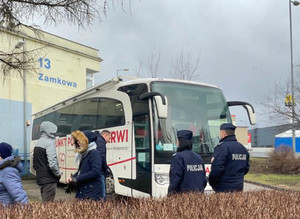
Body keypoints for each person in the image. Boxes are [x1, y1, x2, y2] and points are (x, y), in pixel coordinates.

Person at [209, 123, 250, 193]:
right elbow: (246, 168)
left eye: (220, 133)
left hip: (223, 188)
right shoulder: (243, 148)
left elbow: (217, 168)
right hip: (239, 187)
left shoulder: (222, 148)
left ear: (223, 133)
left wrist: (212, 182)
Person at [168, 130, 207, 195]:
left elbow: (175, 180)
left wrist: (170, 195)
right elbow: (204, 180)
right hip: (199, 197)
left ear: (180, 142)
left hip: (183, 198)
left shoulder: (178, 157)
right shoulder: (198, 157)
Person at [67, 130, 102, 201]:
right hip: (85, 190)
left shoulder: (94, 153)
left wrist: (77, 178)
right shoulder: (85, 154)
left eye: (80, 141)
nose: (78, 143)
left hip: (91, 192)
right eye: (78, 141)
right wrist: (73, 177)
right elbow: (82, 171)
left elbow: (95, 172)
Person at [33, 121, 61, 202]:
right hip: (49, 179)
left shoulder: (38, 143)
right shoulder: (49, 143)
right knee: (48, 207)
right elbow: (52, 163)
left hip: (41, 179)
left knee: (44, 204)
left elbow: (34, 164)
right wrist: (58, 174)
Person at [94, 130, 111, 201]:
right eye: (109, 138)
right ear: (105, 135)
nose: (109, 141)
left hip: (95, 169)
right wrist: (105, 168)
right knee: (102, 192)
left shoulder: (96, 140)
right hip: (100, 170)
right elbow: (102, 157)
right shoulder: (101, 142)